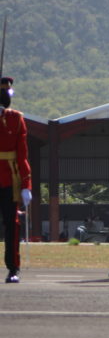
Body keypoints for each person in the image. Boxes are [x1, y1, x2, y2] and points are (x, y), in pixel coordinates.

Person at [0, 77, 32, 283]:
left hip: (9, 178)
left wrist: (26, 184)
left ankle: (13, 268)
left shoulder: (15, 118)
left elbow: (22, 153)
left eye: (7, 93)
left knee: (12, 224)